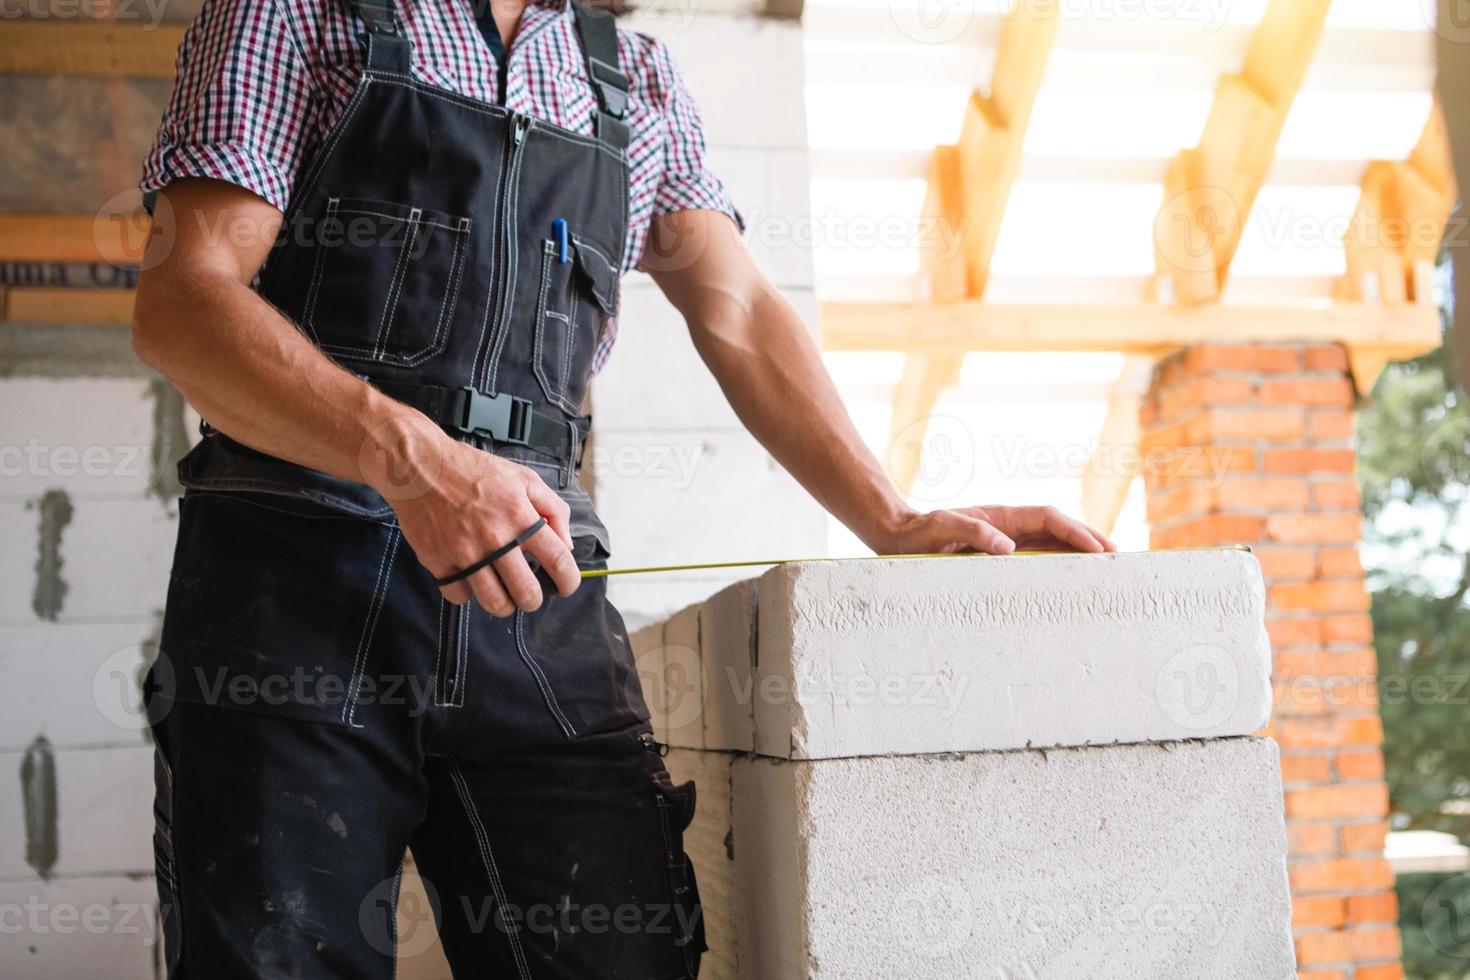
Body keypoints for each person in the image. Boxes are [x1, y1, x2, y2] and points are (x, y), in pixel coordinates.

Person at [131, 0, 1116, 976]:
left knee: (621, 953)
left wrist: (890, 517)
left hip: (538, 591)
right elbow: (183, 302)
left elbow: (736, 307)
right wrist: (412, 459)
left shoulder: (632, 77)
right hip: (291, 590)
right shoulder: (291, 12)